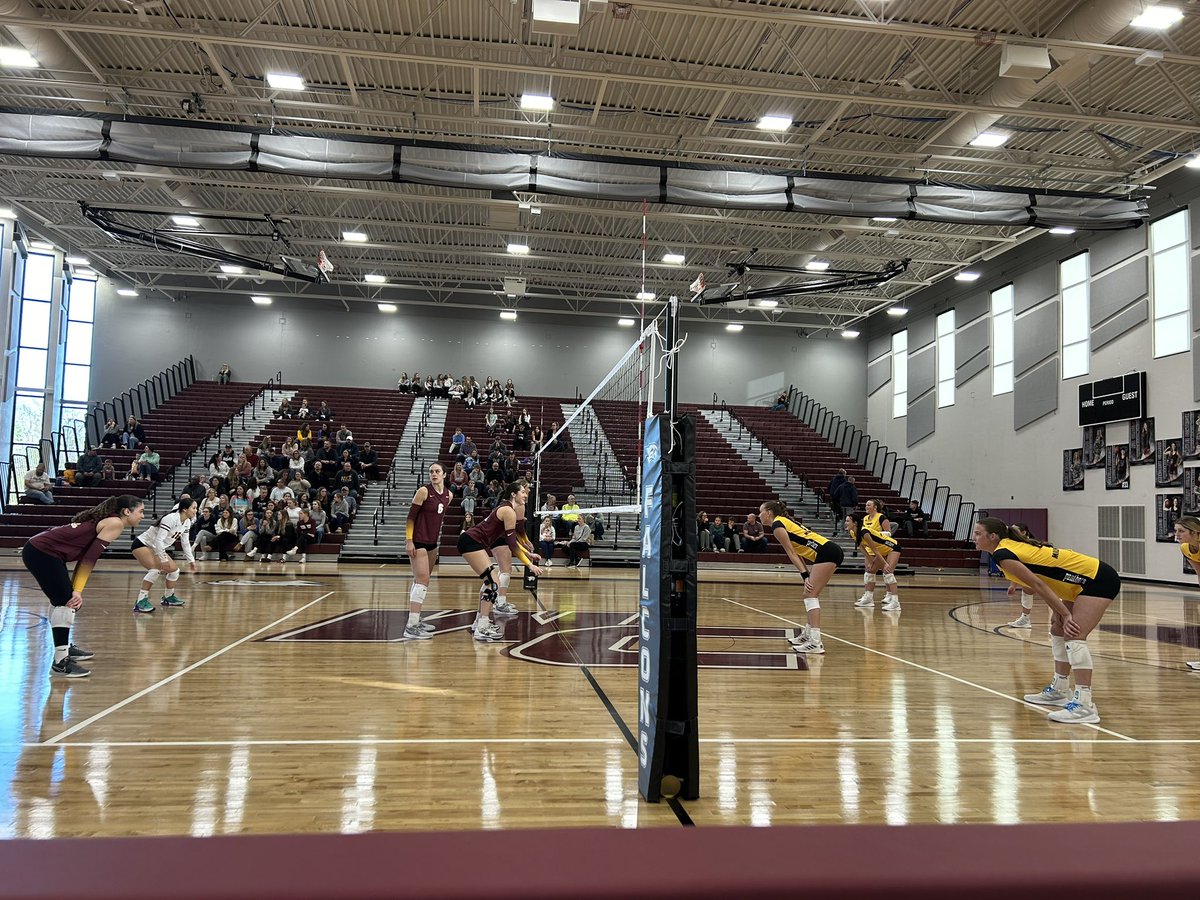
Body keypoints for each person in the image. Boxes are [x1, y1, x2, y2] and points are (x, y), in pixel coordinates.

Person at [973, 517, 1121, 725]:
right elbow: (1038, 583)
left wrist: (1066, 614)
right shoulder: (1006, 549)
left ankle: (1084, 706)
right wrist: (1059, 613)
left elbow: (1038, 584)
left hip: (1098, 579)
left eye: (978, 533)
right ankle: (1060, 689)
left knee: (1074, 633)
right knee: (1057, 628)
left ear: (993, 536)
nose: (974, 537)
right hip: (1077, 584)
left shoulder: (1002, 554)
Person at [23, 494, 145, 677]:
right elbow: (89, 559)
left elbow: (85, 558)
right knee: (67, 603)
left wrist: (76, 589)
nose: (143, 516)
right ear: (127, 511)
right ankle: (60, 663)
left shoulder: (109, 520)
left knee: (62, 601)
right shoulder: (115, 523)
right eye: (140, 511)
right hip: (42, 552)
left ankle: (64, 649)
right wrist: (77, 591)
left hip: (41, 550)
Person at [456, 482, 543, 642]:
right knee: (493, 583)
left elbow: (514, 543)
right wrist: (529, 564)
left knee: (489, 582)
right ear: (513, 494)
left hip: (472, 541)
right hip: (471, 541)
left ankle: (479, 622)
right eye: (523, 492)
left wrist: (528, 554)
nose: (525, 495)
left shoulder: (507, 509)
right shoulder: (508, 511)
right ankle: (482, 627)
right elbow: (511, 544)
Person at [760, 501, 843, 656]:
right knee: (809, 594)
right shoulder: (784, 522)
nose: (759, 515)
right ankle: (808, 635)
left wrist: (805, 575)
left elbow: (791, 553)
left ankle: (816, 642)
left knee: (810, 595)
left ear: (769, 512)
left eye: (761, 511)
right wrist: (805, 573)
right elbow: (797, 552)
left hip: (827, 552)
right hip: (830, 550)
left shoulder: (777, 526)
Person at [402, 462, 453, 641]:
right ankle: (411, 625)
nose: (434, 474)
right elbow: (410, 518)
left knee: (422, 581)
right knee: (422, 579)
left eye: (437, 471)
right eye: (431, 471)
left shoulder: (449, 495)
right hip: (418, 540)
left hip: (432, 542)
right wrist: (409, 541)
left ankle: (415, 618)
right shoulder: (424, 491)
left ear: (445, 475)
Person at [131, 497, 198, 613]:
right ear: (185, 509)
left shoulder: (187, 522)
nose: (196, 510)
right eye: (194, 508)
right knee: (155, 570)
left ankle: (168, 597)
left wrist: (191, 561)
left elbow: (185, 543)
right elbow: (158, 541)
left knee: (174, 571)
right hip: (142, 544)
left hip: (156, 547)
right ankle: (140, 602)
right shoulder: (170, 519)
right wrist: (163, 559)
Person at [847, 512, 902, 612]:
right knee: (870, 572)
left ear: (855, 523)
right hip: (881, 550)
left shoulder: (864, 532)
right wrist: (871, 561)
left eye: (847, 521)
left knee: (888, 572)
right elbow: (862, 548)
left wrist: (885, 564)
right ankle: (868, 599)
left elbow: (875, 550)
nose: (845, 523)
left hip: (892, 547)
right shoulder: (852, 532)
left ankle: (895, 602)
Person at [852, 499, 893, 609]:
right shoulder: (865, 519)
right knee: (868, 572)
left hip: (881, 548)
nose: (866, 506)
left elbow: (888, 533)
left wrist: (873, 534)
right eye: (866, 505)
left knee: (883, 571)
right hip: (870, 549)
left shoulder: (881, 517)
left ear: (875, 507)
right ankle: (868, 595)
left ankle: (889, 595)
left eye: (869, 505)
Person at [1173, 517, 1200, 671]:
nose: (1177, 534)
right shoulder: (1186, 548)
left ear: (1196, 533)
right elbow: (1198, 571)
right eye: (1176, 530)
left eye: (1181, 531)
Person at [1005, 522, 1044, 628]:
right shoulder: (1015, 545)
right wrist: (1013, 585)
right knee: (1027, 590)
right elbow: (1017, 569)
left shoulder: (1031, 544)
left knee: (1055, 599)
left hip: (1046, 573)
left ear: (1023, 532)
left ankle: (1059, 624)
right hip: (1033, 574)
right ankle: (1025, 619)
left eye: (1015, 530)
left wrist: (1013, 585)